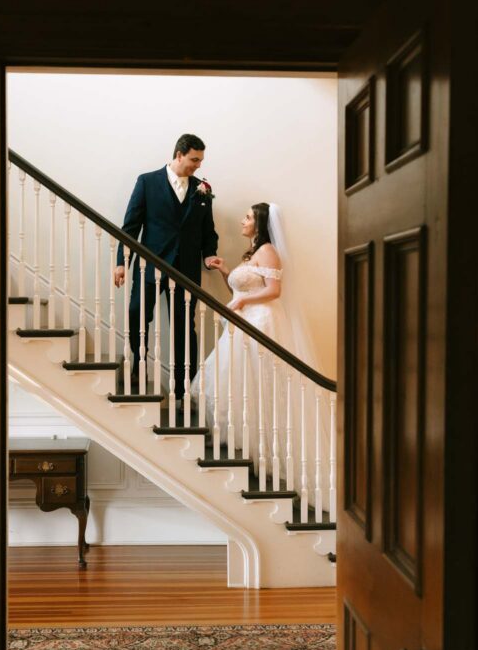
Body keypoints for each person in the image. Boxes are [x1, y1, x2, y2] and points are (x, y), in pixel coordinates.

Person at [193, 202, 331, 507]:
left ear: (260, 223)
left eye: (247, 218)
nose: (242, 221)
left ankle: (268, 455)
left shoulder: (268, 250)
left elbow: (273, 290)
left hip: (262, 321)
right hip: (248, 320)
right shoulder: (254, 253)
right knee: (242, 379)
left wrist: (241, 303)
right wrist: (225, 270)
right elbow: (249, 286)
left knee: (262, 382)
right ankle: (248, 446)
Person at [115, 133, 219, 394]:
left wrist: (209, 254)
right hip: (150, 265)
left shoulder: (202, 188)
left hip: (186, 270)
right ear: (179, 154)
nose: (198, 165)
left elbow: (208, 231)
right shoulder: (147, 182)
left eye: (200, 160)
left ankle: (187, 386)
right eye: (194, 159)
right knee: (137, 313)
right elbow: (130, 227)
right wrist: (121, 263)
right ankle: (137, 368)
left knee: (185, 327)